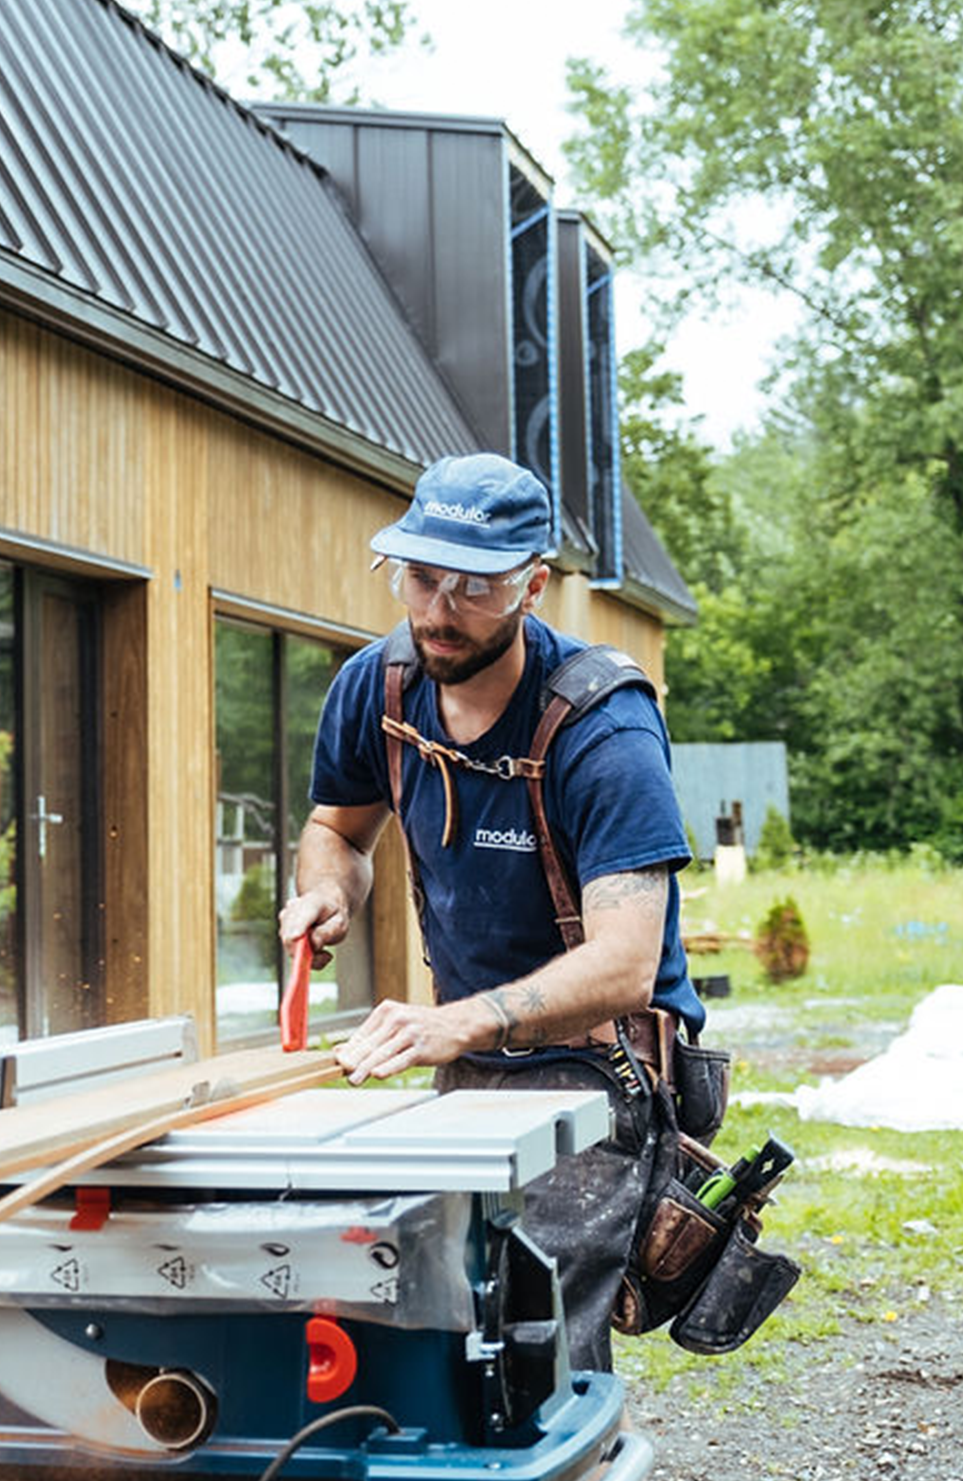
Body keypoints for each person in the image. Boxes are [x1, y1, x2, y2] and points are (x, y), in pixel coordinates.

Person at [279, 451, 704, 1371]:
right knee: (431, 1326)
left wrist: (457, 1020)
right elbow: (339, 832)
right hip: (471, 1063)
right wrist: (326, 892)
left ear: (532, 585)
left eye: (473, 587)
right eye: (421, 576)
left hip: (601, 1073)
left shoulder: (602, 725)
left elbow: (626, 962)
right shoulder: (377, 686)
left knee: (529, 1346)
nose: (436, 611)